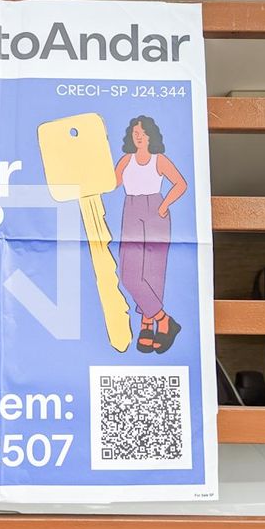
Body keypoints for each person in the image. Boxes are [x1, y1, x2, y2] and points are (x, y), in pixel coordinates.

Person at [114, 115, 187, 354]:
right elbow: (112, 183)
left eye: (143, 133)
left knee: (153, 270)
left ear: (150, 136)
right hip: (131, 209)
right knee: (129, 273)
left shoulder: (159, 160)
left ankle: (147, 324)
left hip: (155, 209)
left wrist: (164, 206)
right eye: (135, 133)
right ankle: (164, 320)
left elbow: (180, 184)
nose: (138, 137)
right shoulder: (126, 160)